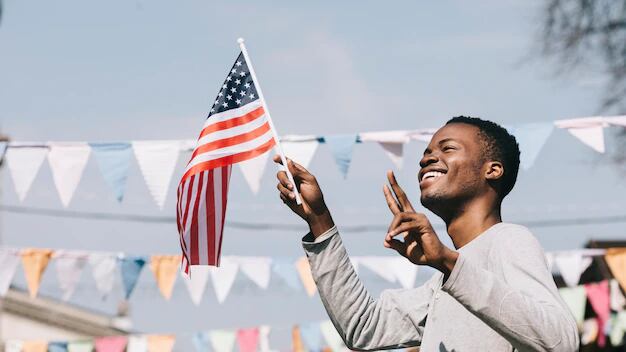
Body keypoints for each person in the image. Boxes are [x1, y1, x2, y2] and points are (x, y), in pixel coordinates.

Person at [273, 116, 579, 352]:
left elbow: (560, 341)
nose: (426, 159)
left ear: (493, 170)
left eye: (447, 148)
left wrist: (448, 263)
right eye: (426, 152)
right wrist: (320, 220)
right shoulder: (444, 282)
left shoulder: (508, 240)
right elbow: (363, 327)